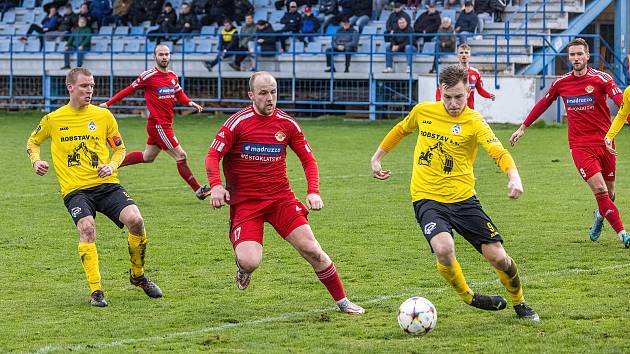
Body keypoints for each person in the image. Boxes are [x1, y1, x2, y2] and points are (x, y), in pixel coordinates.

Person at [370, 64, 539, 321]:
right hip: (427, 197)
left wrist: (513, 176)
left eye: (459, 97)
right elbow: (401, 129)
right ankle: (469, 297)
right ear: (440, 91)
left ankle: (520, 303)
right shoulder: (423, 112)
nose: (453, 103)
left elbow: (498, 152)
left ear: (468, 91)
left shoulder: (474, 121)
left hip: (464, 200)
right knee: (444, 248)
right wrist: (378, 157)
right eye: (447, 97)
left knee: (499, 258)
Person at [205, 71, 365, 315]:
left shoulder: (287, 124)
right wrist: (216, 185)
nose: (270, 98)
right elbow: (213, 155)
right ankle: (243, 269)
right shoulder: (237, 123)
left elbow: (308, 160)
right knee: (250, 260)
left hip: (281, 200)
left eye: (274, 92)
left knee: (313, 249)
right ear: (251, 95)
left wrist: (313, 191)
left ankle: (343, 301)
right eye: (263, 93)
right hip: (246, 204)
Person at [26, 68, 163, 307]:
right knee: (87, 228)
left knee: (136, 221)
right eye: (84, 86)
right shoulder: (54, 119)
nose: (89, 90)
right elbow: (33, 141)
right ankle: (96, 291)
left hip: (107, 185)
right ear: (70, 87)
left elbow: (120, 149)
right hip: (76, 190)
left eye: (91, 86)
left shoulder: (103, 116)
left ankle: (138, 276)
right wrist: (36, 161)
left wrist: (111, 165)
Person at [509, 38, 629, 247]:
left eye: (579, 54)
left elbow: (621, 103)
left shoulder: (602, 79)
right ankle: (623, 235)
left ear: (587, 56)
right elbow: (543, 103)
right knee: (600, 190)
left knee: (610, 194)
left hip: (605, 143)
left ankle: (600, 216)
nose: (575, 58)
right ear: (568, 57)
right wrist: (523, 127)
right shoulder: (561, 83)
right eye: (572, 55)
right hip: (580, 146)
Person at [99, 44, 210, 201]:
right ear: (155, 57)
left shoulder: (172, 76)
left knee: (147, 157)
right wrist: (108, 104)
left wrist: (190, 103)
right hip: (158, 125)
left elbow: (179, 93)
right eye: (161, 54)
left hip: (164, 124)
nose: (164, 57)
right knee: (181, 156)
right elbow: (128, 90)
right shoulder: (148, 76)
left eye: (166, 54)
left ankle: (108, 167)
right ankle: (199, 190)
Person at [435, 43, 494, 108]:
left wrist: (489, 95)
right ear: (458, 55)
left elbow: (480, 89)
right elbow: (440, 89)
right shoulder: (451, 72)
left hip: (470, 109)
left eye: (466, 53)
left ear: (469, 55)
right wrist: (438, 103)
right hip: (455, 109)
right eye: (461, 52)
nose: (464, 55)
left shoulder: (475, 72)